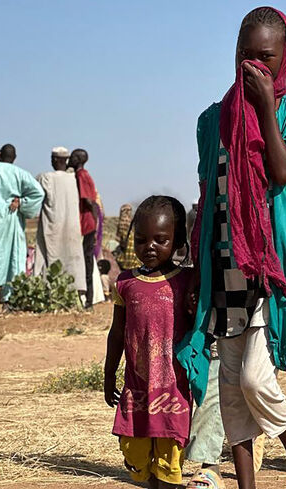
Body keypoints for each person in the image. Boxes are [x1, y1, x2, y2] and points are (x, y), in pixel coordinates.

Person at [176, 7, 286, 489]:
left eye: (266, 58)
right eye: (246, 56)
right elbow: (207, 195)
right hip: (220, 264)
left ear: (284, 59)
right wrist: (195, 266)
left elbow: (283, 173)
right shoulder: (211, 119)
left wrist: (264, 107)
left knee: (255, 381)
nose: (254, 67)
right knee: (229, 390)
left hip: (265, 267)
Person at [103, 196, 193, 489]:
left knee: (169, 462)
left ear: (177, 241)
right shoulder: (125, 283)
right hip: (137, 388)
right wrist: (108, 374)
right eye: (141, 240)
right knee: (137, 456)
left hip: (174, 389)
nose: (149, 247)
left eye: (160, 240)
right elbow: (117, 333)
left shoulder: (187, 282)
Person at [0, 144, 44, 310]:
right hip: (11, 221)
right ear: (14, 157)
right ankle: (8, 302)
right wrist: (21, 202)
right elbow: (38, 192)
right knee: (12, 260)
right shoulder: (19, 173)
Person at [34, 147, 86, 293]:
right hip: (72, 226)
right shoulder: (74, 178)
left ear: (56, 160)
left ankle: (48, 289)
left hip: (52, 227)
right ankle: (75, 290)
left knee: (49, 256)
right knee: (71, 257)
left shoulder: (46, 177)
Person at [70, 148, 99, 309]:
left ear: (79, 159)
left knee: (86, 261)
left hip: (87, 224)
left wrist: (94, 222)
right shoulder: (83, 174)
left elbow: (88, 200)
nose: (70, 159)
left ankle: (88, 300)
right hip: (88, 224)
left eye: (74, 157)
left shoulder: (81, 175)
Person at [115, 203, 143, 271]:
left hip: (126, 256)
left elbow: (119, 238)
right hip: (134, 255)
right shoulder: (133, 221)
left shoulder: (121, 222)